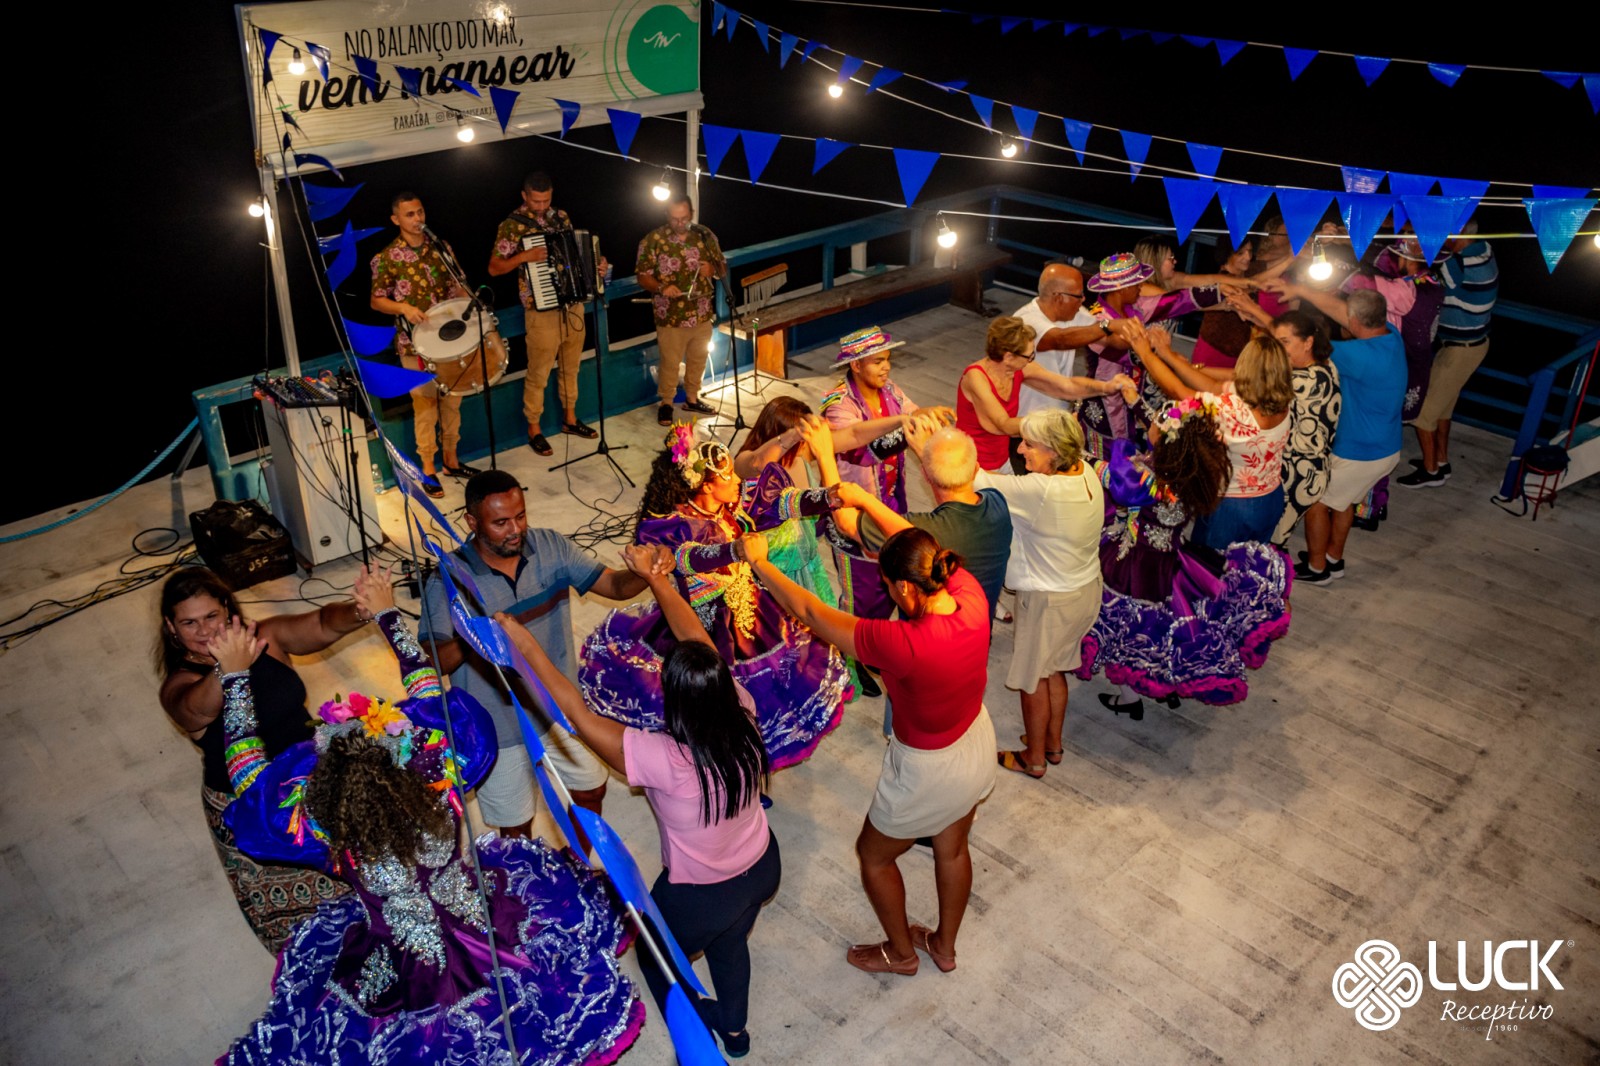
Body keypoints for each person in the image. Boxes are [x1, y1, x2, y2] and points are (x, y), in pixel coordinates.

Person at [217, 570, 642, 1065]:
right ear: (400, 756)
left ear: (328, 791)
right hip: (479, 915)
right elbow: (425, 691)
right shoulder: (436, 778)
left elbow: (247, 773)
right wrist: (386, 613)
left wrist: (234, 677)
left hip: (403, 968)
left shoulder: (325, 827)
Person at [502, 546, 778, 1060]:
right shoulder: (740, 706)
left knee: (658, 963)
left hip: (701, 893)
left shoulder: (662, 757)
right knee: (729, 943)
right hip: (762, 865)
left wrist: (523, 646)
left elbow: (577, 714)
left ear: (674, 697)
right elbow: (695, 638)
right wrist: (658, 581)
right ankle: (735, 1034)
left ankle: (696, 1040)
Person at [745, 526, 995, 977]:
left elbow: (812, 613)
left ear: (903, 586)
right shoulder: (969, 593)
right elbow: (913, 538)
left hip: (928, 768)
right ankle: (944, 947)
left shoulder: (902, 644)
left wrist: (760, 563)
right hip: (975, 743)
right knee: (953, 850)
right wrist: (862, 501)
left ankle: (900, 954)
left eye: (887, 585)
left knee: (874, 855)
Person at [579, 428, 851, 768]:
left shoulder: (731, 504)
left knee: (762, 704)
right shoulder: (673, 526)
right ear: (706, 485)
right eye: (727, 475)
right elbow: (690, 558)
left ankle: (746, 767)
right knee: (712, 709)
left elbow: (780, 504)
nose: (737, 479)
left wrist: (828, 498)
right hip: (701, 631)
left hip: (750, 618)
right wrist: (736, 550)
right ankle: (718, 770)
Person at [422, 469, 670, 838]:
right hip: (496, 726)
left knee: (591, 789)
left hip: (559, 707)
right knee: (516, 826)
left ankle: (576, 865)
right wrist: (475, 635)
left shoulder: (550, 547)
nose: (515, 530)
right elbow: (429, 661)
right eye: (500, 522)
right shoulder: (449, 579)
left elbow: (615, 585)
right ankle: (529, 889)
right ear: (472, 522)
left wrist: (645, 572)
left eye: (520, 516)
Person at [155, 566, 371, 953]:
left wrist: (362, 609)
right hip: (250, 810)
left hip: (313, 780)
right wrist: (229, 669)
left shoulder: (265, 638)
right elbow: (195, 710)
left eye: (211, 616)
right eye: (189, 623)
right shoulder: (179, 685)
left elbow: (322, 622)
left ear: (227, 608)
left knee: (363, 886)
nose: (204, 631)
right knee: (299, 928)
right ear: (171, 628)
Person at [1075, 402, 1291, 717]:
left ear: (1166, 441)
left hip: (1135, 565)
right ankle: (1164, 688)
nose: (1153, 424)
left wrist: (1073, 454)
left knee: (1125, 630)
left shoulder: (1148, 480)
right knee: (1160, 630)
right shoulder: (1192, 472)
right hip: (1173, 561)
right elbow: (1160, 430)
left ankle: (1130, 699)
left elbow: (1108, 475)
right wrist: (1136, 403)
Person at [966, 411, 1105, 777]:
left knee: (1032, 680)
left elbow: (977, 481)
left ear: (1053, 450)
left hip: (1049, 601)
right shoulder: (1086, 473)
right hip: (1083, 591)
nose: (1021, 449)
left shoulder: (1041, 490)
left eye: (1029, 444)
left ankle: (1035, 758)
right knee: (1053, 670)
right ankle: (1053, 745)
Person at [820, 325, 955, 695]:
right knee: (862, 597)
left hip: (891, 506)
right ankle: (855, 660)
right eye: (878, 361)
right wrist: (902, 424)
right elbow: (858, 449)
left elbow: (911, 412)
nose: (886, 368)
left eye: (888, 360)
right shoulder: (837, 405)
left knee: (895, 584)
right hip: (855, 517)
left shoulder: (890, 392)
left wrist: (929, 415)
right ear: (857, 364)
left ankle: (883, 650)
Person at [1266, 285, 1406, 586]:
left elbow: (1299, 346)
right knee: (1343, 503)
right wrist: (1301, 289)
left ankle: (1318, 569)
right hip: (1387, 448)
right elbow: (1344, 312)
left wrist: (1256, 313)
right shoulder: (1391, 336)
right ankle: (1333, 558)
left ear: (1355, 321)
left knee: (1317, 501)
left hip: (1360, 452)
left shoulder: (1357, 355)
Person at [1075, 252, 1261, 461]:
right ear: (1122, 288)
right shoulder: (1097, 319)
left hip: (1131, 403)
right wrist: (1161, 351)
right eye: (1137, 283)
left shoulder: (1134, 307)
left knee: (1133, 460)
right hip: (1103, 406)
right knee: (1108, 468)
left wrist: (1220, 292)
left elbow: (1177, 301)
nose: (1141, 287)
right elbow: (1120, 347)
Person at [1130, 322, 1294, 549]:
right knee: (1247, 565)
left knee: (1209, 570)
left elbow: (1180, 392)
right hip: (1270, 498)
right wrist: (1166, 354)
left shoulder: (1231, 411)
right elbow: (1214, 385)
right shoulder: (1282, 399)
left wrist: (1145, 354)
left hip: (1234, 507)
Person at [488, 171, 603, 457]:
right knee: (538, 373)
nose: (541, 206)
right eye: (536, 201)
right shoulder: (512, 226)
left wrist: (595, 264)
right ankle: (534, 429)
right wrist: (524, 257)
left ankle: (570, 419)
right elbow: (494, 267)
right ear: (524, 196)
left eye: (546, 200)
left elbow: (575, 256)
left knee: (571, 366)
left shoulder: (560, 217)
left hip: (571, 306)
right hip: (540, 311)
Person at [370, 191, 475, 495]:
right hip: (413, 344)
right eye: (410, 215)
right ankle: (428, 468)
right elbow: (376, 301)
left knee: (453, 399)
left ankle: (452, 460)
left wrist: (466, 301)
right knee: (425, 405)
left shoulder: (441, 248)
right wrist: (402, 308)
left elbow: (459, 285)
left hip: (450, 338)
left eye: (420, 212)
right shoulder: (386, 257)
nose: (418, 219)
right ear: (396, 219)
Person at [955, 315, 1135, 473]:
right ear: (1009, 357)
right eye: (1029, 356)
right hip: (971, 465)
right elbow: (1005, 425)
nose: (1032, 360)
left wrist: (1106, 387)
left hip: (1001, 460)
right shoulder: (976, 378)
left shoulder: (1020, 368)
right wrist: (1057, 423)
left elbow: (1066, 385)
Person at [1400, 220, 1497, 487]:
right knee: (1443, 409)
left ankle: (1430, 473)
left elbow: (1420, 282)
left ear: (1457, 234)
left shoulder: (1459, 265)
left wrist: (1415, 253)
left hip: (1461, 351)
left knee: (1424, 414)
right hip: (1469, 344)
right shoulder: (1483, 248)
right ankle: (1441, 461)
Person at [637, 193, 729, 426]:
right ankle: (666, 403)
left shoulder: (704, 235)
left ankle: (691, 398)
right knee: (670, 361)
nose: (680, 223)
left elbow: (722, 268)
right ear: (667, 215)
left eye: (684, 218)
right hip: (670, 315)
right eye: (675, 219)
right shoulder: (653, 239)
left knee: (698, 358)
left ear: (692, 214)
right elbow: (642, 276)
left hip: (701, 311)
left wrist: (712, 269)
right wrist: (661, 287)